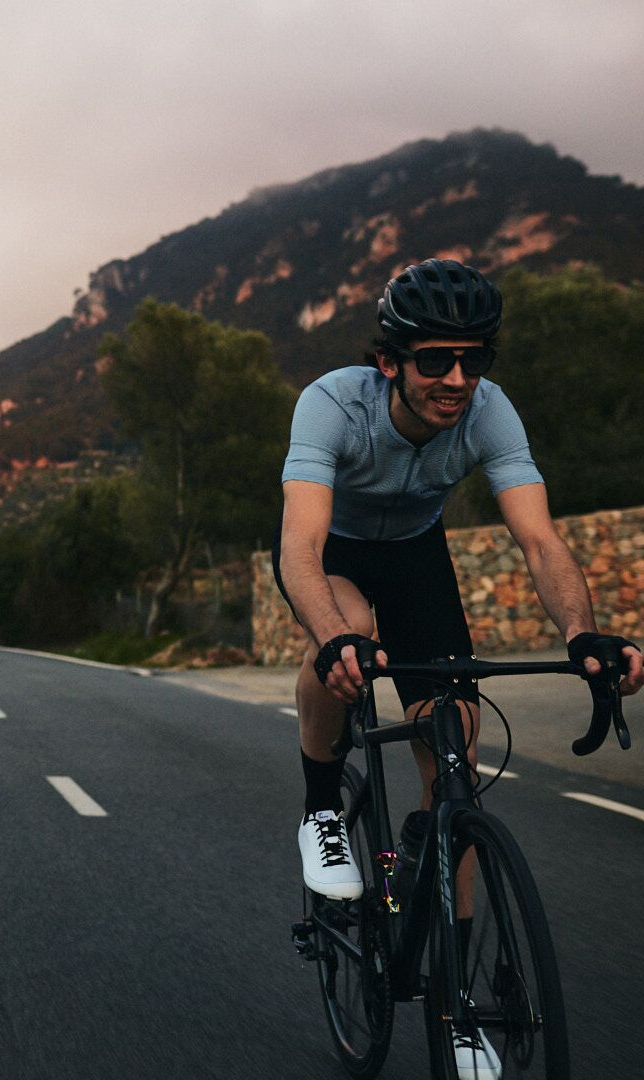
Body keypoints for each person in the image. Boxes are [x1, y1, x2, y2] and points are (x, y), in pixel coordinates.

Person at [275, 257, 642, 1078]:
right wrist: (335, 639)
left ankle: (457, 1001)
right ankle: (321, 810)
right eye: (436, 359)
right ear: (391, 362)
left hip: (414, 558)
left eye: (474, 359)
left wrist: (584, 634)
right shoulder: (333, 403)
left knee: (456, 754)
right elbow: (299, 542)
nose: (456, 378)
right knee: (351, 632)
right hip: (331, 553)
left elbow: (541, 542)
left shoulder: (488, 413)